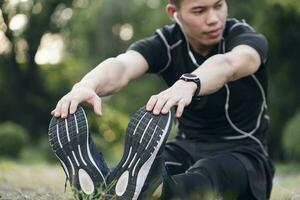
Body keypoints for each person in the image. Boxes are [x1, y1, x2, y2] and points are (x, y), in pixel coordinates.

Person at [50, 0, 275, 199]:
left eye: (218, 5)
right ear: (173, 12)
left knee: (209, 172)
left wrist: (189, 83)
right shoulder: (167, 43)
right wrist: (86, 85)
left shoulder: (244, 37)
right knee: (152, 168)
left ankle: (147, 193)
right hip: (186, 147)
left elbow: (230, 65)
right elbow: (122, 66)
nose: (213, 19)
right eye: (199, 11)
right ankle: (110, 188)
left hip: (245, 154)